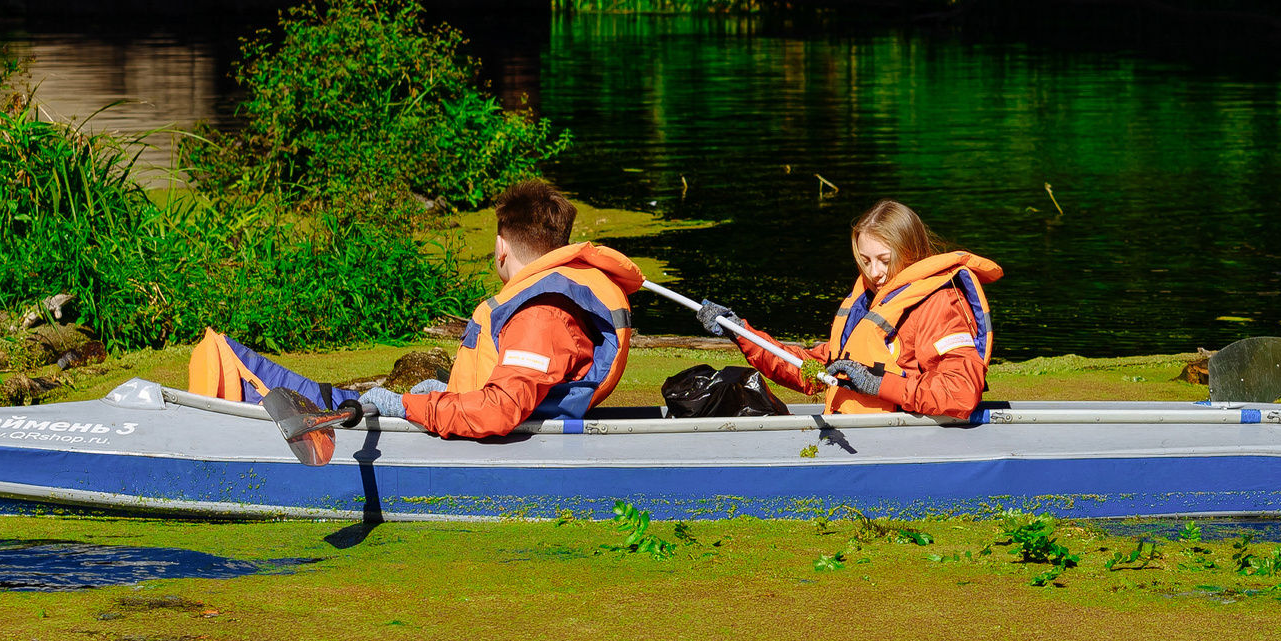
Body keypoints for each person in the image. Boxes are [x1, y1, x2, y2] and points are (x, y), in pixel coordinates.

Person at [363, 179, 644, 439]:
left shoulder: (540, 313)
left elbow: (498, 410)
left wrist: (406, 406)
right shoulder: (547, 302)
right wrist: (448, 393)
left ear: (501, 247)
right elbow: (518, 388)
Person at [696, 200, 1001, 418]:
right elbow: (812, 372)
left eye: (884, 259)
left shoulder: (939, 304)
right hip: (855, 431)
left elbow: (960, 393)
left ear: (912, 251)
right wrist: (739, 331)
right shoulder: (869, 301)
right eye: (866, 261)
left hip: (899, 440)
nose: (875, 272)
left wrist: (880, 385)